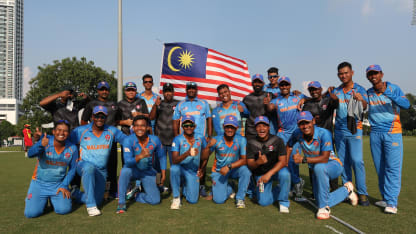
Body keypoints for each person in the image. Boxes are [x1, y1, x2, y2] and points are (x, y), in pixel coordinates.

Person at [287, 111, 358, 219]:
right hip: (316, 168)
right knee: (319, 199)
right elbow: (289, 145)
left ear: (313, 121)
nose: (305, 126)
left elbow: (325, 158)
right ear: (298, 125)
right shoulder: (297, 133)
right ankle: (346, 190)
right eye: (302, 124)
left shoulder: (324, 133)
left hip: (333, 165)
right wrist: (286, 161)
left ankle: (324, 208)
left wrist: (303, 159)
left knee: (320, 168)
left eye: (307, 122)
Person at [366, 64, 410, 214]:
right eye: (370, 74)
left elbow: (406, 104)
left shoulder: (393, 88)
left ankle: (392, 202)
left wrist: (387, 92)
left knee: (392, 168)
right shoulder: (369, 92)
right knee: (380, 168)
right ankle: (385, 198)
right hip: (375, 133)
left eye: (375, 73)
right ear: (368, 77)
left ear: (381, 74)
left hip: (392, 132)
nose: (373, 76)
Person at [70, 106, 126, 216]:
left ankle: (76, 193)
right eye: (97, 116)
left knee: (98, 200)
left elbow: (127, 140)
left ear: (105, 118)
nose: (99, 119)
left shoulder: (111, 130)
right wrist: (74, 156)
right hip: (83, 166)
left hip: (101, 170)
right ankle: (90, 206)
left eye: (102, 116)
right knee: (89, 168)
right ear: (92, 117)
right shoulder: (81, 130)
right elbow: (66, 142)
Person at [327, 62, 369, 206]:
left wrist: (360, 99)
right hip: (339, 130)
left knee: (357, 161)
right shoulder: (337, 91)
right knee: (343, 162)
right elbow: (327, 105)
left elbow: (364, 106)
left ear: (352, 73)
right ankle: (348, 192)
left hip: (354, 129)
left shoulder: (360, 89)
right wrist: (329, 95)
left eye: (346, 73)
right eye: (340, 74)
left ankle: (362, 193)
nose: (343, 76)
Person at [24, 120, 78, 218]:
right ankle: (40, 202)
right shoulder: (45, 141)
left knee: (64, 210)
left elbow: (72, 169)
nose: (61, 133)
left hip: (58, 185)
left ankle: (54, 200)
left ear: (68, 134)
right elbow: (30, 154)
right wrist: (40, 145)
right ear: (53, 131)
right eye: (59, 130)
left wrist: (65, 185)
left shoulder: (73, 148)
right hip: (39, 183)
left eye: (65, 131)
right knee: (31, 214)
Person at [266, 76, 305, 200]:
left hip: (296, 134)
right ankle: (290, 184)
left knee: (293, 160)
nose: (284, 87)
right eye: (282, 85)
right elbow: (270, 108)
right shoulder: (277, 100)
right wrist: (268, 105)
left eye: (286, 84)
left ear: (290, 85)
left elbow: (309, 99)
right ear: (279, 86)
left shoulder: (297, 97)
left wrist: (304, 99)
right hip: (282, 134)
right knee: (282, 161)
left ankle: (296, 184)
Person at [116, 115, 165, 213]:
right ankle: (121, 203)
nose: (139, 128)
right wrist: (140, 156)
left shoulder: (155, 140)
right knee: (125, 171)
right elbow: (127, 162)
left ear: (147, 128)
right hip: (132, 170)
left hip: (147, 171)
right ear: (133, 128)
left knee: (155, 201)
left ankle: (136, 195)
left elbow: (162, 156)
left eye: (143, 126)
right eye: (137, 126)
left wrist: (163, 174)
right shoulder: (128, 140)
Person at [81, 81, 120, 199]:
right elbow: (83, 121)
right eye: (101, 89)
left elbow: (117, 121)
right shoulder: (91, 104)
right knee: (96, 165)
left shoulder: (114, 104)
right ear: (98, 91)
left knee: (112, 166)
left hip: (110, 140)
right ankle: (94, 188)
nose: (104, 91)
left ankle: (112, 190)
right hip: (95, 141)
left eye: (106, 89)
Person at [172, 81, 212, 197]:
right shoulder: (180, 104)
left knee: (201, 162)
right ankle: (183, 185)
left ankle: (201, 186)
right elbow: (175, 121)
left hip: (201, 138)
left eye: (193, 88)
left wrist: (209, 135)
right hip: (184, 138)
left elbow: (209, 119)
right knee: (184, 161)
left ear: (196, 90)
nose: (191, 90)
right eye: (189, 88)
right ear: (186, 90)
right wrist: (176, 136)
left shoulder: (204, 103)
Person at [204, 115, 251, 208]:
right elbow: (203, 157)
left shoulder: (241, 139)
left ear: (236, 128)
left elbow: (244, 160)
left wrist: (229, 166)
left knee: (246, 171)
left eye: (232, 127)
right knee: (218, 200)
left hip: (233, 169)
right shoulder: (216, 139)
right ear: (223, 127)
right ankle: (230, 187)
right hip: (219, 171)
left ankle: (240, 198)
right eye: (227, 127)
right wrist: (208, 146)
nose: (230, 129)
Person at [246, 116, 291, 213]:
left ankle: (283, 202)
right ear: (255, 128)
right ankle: (279, 189)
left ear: (269, 127)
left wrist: (269, 174)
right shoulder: (251, 143)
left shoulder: (277, 140)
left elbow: (283, 161)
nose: (261, 129)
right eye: (258, 126)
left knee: (285, 174)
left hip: (275, 171)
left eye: (264, 126)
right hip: (261, 175)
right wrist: (258, 162)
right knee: (263, 202)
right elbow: (250, 165)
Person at [301, 81, 339, 193]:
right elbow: (304, 121)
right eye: (311, 90)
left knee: (330, 162)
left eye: (316, 89)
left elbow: (336, 103)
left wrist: (332, 95)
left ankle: (334, 189)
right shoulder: (307, 105)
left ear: (321, 89)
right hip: (313, 140)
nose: (314, 91)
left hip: (327, 138)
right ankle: (315, 191)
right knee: (313, 165)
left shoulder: (328, 100)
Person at [170, 115, 207, 209]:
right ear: (182, 126)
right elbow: (174, 160)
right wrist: (187, 153)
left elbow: (206, 155)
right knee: (174, 169)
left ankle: (185, 187)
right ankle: (176, 197)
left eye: (191, 125)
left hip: (193, 171)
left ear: (194, 126)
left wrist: (202, 169)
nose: (188, 127)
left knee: (193, 200)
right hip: (180, 168)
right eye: (186, 125)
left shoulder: (200, 138)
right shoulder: (177, 139)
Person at [149, 83, 179, 191]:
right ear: (163, 92)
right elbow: (151, 117)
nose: (168, 93)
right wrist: (155, 105)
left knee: (174, 166)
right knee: (157, 166)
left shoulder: (178, 104)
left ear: (173, 92)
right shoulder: (159, 103)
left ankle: (174, 186)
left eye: (170, 91)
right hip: (160, 141)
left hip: (173, 141)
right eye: (166, 91)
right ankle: (158, 185)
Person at [243, 74, 273, 140]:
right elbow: (242, 115)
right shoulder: (247, 98)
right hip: (251, 132)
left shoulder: (270, 96)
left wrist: (295, 93)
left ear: (263, 84)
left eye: (259, 82)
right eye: (255, 82)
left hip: (264, 131)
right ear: (252, 84)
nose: (257, 84)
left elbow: (282, 99)